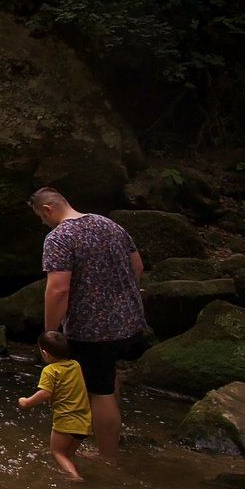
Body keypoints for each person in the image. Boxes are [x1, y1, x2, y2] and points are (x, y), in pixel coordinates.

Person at [30, 186, 148, 460]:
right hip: (129, 322)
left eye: (40, 217)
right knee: (108, 374)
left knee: (99, 391)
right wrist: (121, 300)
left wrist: (50, 331)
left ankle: (108, 457)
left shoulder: (59, 237)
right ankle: (113, 435)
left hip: (93, 330)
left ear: (47, 210)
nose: (43, 222)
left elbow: (58, 289)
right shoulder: (109, 225)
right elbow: (138, 266)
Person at [18, 331, 92, 483]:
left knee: (58, 452)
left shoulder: (50, 370)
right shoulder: (75, 365)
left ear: (45, 353)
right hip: (84, 421)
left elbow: (45, 393)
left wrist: (27, 402)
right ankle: (74, 469)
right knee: (69, 454)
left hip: (66, 421)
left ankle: (74, 476)